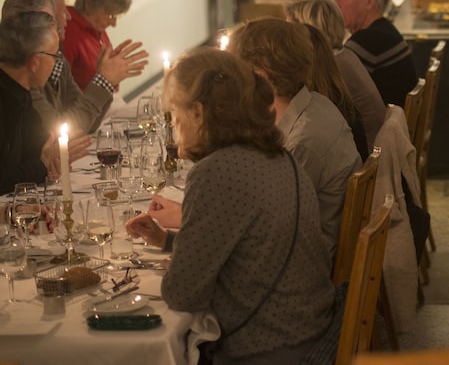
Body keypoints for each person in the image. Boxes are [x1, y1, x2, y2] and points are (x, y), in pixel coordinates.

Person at [124, 48, 335, 363]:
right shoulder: (278, 155)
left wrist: (181, 265)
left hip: (271, 348)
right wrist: (168, 240)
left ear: (198, 112)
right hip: (312, 330)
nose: (174, 122)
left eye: (175, 111)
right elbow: (249, 247)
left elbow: (182, 294)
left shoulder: (217, 172)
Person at [228, 18, 363, 260]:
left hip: (301, 265)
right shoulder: (316, 103)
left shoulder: (303, 141)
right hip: (293, 250)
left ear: (261, 78)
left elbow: (270, 232)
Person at [1, 0, 147, 134]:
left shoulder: (58, 58)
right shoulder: (24, 74)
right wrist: (104, 81)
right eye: (60, 11)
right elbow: (57, 131)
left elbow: (86, 123)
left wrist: (107, 81)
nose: (68, 16)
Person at [0, 10, 90, 193]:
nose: (57, 63)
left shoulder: (21, 93)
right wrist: (41, 164)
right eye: (54, 56)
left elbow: (38, 149)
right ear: (34, 62)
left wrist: (51, 159)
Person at [285, 0, 385, 153]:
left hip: (365, 153)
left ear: (308, 31)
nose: (285, 40)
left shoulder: (328, 66)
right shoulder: (344, 55)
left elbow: (313, 120)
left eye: (288, 31)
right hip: (370, 148)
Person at [331, 0, 418, 107]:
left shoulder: (366, 42)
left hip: (386, 121)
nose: (335, 5)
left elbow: (331, 95)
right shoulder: (384, 30)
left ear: (369, 1)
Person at [62, 0, 136, 90]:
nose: (114, 24)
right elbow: (60, 91)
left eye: (116, 16)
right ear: (89, 4)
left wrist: (115, 73)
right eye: (110, 15)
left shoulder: (96, 28)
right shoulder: (68, 31)